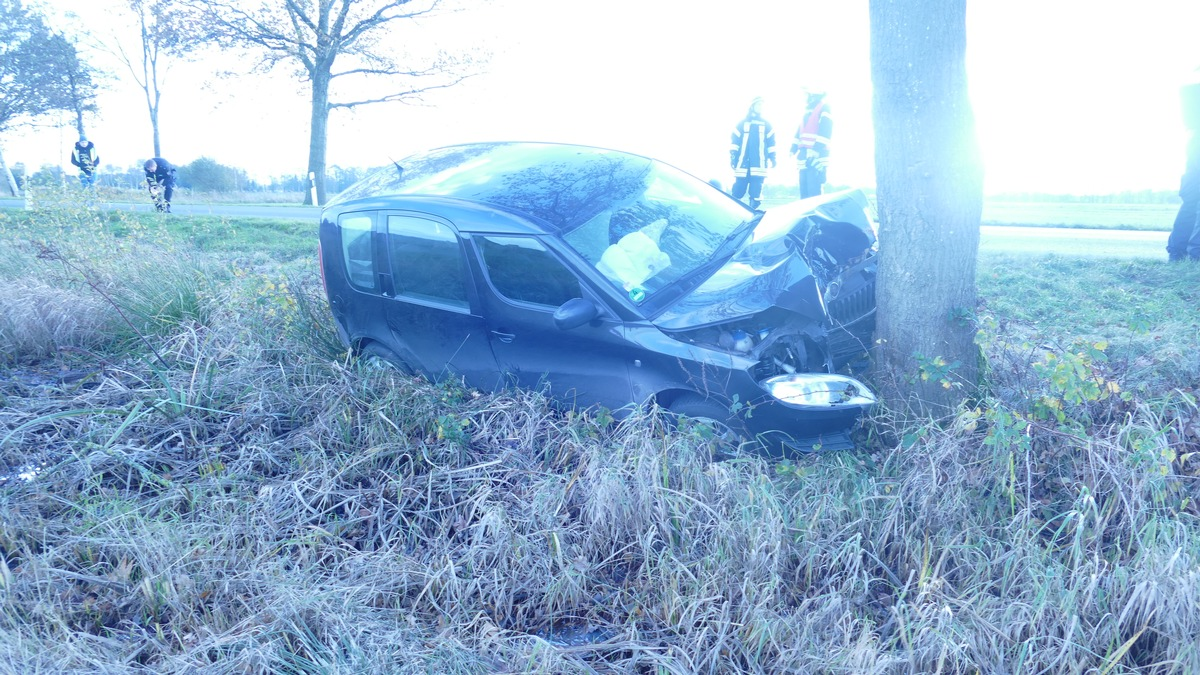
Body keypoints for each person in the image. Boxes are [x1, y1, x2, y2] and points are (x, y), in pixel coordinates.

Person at [1167, 69, 1200, 262]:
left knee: (1191, 203)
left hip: (1194, 144)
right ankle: (1196, 255)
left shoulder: (1190, 90)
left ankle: (1177, 253)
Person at [729, 96, 776, 209]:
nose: (760, 107)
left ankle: (752, 214)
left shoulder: (767, 125)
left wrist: (773, 157)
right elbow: (734, 141)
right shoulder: (742, 124)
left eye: (762, 105)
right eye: (758, 104)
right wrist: (733, 156)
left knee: (756, 193)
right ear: (752, 106)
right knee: (738, 191)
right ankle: (733, 212)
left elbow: (771, 143)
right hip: (743, 163)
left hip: (758, 165)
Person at [790, 88, 833, 199]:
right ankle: (806, 215)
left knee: (814, 191)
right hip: (804, 155)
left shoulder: (824, 108)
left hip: (816, 156)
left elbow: (826, 129)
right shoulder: (807, 112)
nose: (805, 97)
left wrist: (816, 149)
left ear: (813, 95)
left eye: (807, 94)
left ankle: (814, 215)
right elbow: (800, 130)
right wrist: (793, 148)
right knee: (804, 191)